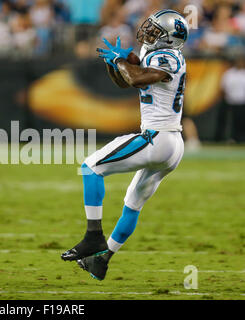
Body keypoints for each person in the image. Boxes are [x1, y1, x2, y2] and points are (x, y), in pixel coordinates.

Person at [61, 10, 188, 281]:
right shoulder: (160, 55)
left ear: (169, 39)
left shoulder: (166, 57)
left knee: (90, 168)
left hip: (157, 137)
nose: (148, 33)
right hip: (171, 144)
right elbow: (124, 81)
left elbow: (136, 79)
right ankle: (102, 260)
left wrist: (122, 61)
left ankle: (93, 236)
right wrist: (113, 63)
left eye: (156, 31)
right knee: (132, 204)